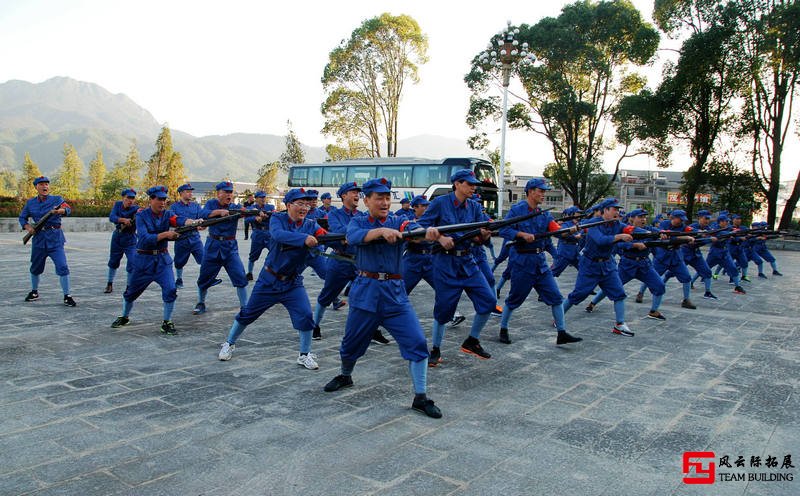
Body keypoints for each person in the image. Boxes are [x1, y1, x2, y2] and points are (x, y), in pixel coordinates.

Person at [323, 177, 444, 419]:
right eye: (379, 197)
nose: (385, 202)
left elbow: (412, 229)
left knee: (418, 343)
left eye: (388, 197)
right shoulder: (356, 221)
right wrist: (380, 231)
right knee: (350, 346)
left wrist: (427, 234)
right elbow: (355, 237)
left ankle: (420, 396)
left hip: (395, 296)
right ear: (367, 200)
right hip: (365, 293)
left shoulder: (400, 221)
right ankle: (346, 374)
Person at [218, 188, 326, 369]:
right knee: (247, 313)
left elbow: (324, 235)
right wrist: (304, 239)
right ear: (289, 205)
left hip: (293, 283)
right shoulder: (278, 219)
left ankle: (304, 354)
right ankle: (229, 343)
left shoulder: (311, 224)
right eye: (300, 203)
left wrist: (342, 241)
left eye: (307, 204)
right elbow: (278, 235)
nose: (304, 208)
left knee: (306, 316)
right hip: (269, 280)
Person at [417, 169, 496, 365]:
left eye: (473, 184)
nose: (473, 187)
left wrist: (484, 236)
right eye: (469, 184)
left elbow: (479, 236)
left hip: (468, 262)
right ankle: (435, 348)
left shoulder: (475, 207)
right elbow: (420, 228)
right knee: (444, 310)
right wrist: (441, 237)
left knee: (488, 301)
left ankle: (472, 341)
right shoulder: (439, 203)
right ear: (457, 184)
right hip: (445, 263)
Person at [498, 178, 582, 345]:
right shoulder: (516, 211)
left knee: (556, 297)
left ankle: (561, 332)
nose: (544, 194)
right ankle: (503, 328)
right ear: (530, 191)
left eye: (544, 191)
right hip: (522, 261)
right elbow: (503, 229)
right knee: (514, 299)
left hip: (540, 262)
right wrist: (522, 235)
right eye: (541, 191)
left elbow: (556, 231)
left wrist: (569, 231)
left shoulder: (544, 214)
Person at [110, 186, 199, 333]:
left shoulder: (167, 214)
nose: (162, 202)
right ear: (151, 200)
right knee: (131, 292)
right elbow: (144, 238)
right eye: (159, 199)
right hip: (143, 261)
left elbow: (178, 220)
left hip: (162, 260)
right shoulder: (141, 216)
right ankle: (125, 316)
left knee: (171, 289)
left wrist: (193, 222)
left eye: (164, 199)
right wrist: (165, 235)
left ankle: (167, 321)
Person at [312, 181, 390, 345]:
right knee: (327, 296)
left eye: (358, 192)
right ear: (343, 196)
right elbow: (338, 231)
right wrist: (358, 234)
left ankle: (373, 330)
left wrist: (357, 235)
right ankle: (315, 325)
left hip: (360, 262)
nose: (357, 195)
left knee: (370, 295)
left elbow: (361, 233)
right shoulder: (334, 214)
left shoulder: (362, 215)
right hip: (340, 261)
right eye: (353, 192)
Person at [561, 198, 637, 337]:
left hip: (608, 265)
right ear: (605, 210)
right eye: (614, 209)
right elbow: (601, 240)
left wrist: (653, 235)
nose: (617, 212)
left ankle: (620, 324)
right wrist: (620, 236)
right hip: (590, 265)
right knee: (579, 294)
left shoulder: (616, 224)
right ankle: (559, 317)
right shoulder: (593, 223)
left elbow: (632, 230)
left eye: (617, 210)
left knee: (619, 293)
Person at [586, 209, 668, 320]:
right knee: (611, 286)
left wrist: (663, 235)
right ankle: (593, 302)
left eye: (644, 217)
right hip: (627, 265)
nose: (643, 219)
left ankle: (654, 311)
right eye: (640, 217)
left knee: (659, 285)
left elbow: (659, 233)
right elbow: (618, 244)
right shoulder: (623, 228)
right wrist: (634, 245)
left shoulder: (649, 229)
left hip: (644, 264)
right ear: (632, 218)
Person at [193, 181, 256, 315]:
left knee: (240, 277)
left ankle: (245, 307)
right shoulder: (211, 204)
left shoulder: (235, 206)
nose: (229, 195)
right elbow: (202, 214)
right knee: (204, 278)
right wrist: (219, 212)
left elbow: (248, 214)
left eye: (230, 192)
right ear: (218, 194)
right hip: (213, 246)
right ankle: (201, 302)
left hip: (230, 247)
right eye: (226, 192)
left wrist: (254, 213)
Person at [20, 176, 76, 306]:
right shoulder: (30, 203)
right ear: (36, 187)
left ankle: (67, 295)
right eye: (41, 184)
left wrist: (59, 211)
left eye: (46, 184)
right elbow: (22, 218)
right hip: (39, 239)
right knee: (35, 267)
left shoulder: (57, 199)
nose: (45, 187)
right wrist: (28, 227)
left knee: (62, 266)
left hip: (55, 239)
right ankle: (34, 291)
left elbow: (68, 209)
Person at [169, 183, 204, 289]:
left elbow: (202, 219)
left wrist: (202, 225)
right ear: (181, 193)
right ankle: (179, 279)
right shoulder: (174, 207)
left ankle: (203, 279)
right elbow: (171, 221)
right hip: (181, 238)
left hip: (195, 238)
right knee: (179, 262)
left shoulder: (196, 206)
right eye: (187, 191)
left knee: (204, 259)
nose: (190, 193)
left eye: (191, 191)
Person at [104, 188, 138, 293]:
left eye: (132, 198)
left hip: (130, 238)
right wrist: (123, 220)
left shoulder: (136, 209)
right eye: (128, 198)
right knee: (113, 261)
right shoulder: (117, 205)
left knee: (133, 262)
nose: (130, 200)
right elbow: (112, 217)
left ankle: (129, 287)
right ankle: (109, 283)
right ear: (123, 197)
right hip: (118, 237)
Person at [705, 214, 746, 295]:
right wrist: (730, 233)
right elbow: (720, 235)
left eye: (728, 221)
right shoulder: (715, 229)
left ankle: (737, 286)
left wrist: (734, 234)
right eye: (726, 221)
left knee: (733, 268)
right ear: (721, 222)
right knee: (704, 268)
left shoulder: (728, 229)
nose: (727, 222)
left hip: (724, 252)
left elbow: (732, 234)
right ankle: (692, 281)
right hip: (715, 253)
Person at [683, 209, 718, 300]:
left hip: (696, 254)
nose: (707, 221)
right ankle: (659, 284)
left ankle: (707, 292)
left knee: (707, 271)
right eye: (705, 218)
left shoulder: (708, 229)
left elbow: (713, 235)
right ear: (699, 218)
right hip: (685, 252)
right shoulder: (692, 227)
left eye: (708, 219)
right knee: (670, 273)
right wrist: (708, 239)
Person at [245, 191, 275, 280]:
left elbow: (275, 215)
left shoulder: (270, 207)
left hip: (269, 233)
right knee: (253, 255)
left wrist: (267, 216)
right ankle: (250, 272)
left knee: (275, 253)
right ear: (256, 198)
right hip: (257, 233)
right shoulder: (252, 208)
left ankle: (273, 272)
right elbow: (246, 220)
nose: (263, 199)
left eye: (264, 197)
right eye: (261, 197)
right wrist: (255, 218)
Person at [550, 206, 584, 278]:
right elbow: (562, 235)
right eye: (577, 213)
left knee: (584, 269)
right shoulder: (566, 224)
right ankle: (541, 282)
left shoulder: (578, 223)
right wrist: (574, 237)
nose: (579, 214)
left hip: (575, 251)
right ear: (572, 214)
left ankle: (587, 288)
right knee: (554, 272)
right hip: (565, 251)